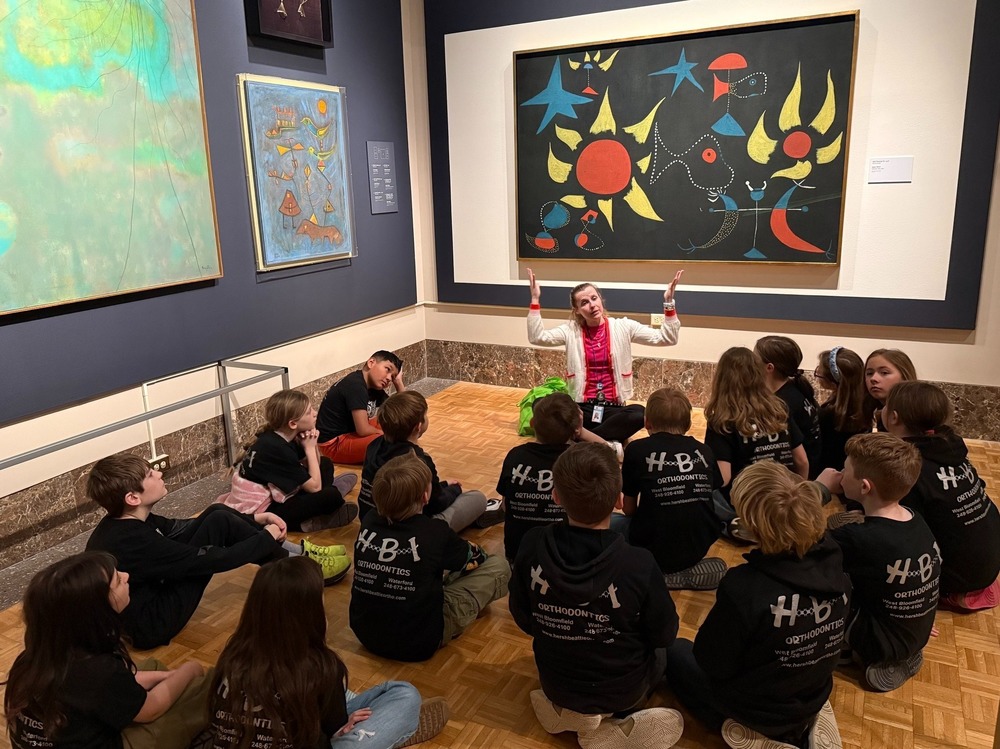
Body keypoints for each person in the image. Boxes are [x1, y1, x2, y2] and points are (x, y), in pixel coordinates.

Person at [509, 442, 684, 748]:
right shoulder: (639, 563)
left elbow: (522, 616)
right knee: (669, 653)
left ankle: (572, 712)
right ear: (618, 500)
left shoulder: (532, 543)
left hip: (555, 682)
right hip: (623, 692)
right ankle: (610, 721)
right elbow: (664, 633)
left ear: (555, 496)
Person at [665, 460, 849, 749]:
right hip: (811, 690)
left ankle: (756, 733)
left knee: (675, 651)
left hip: (756, 707)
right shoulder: (836, 561)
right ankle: (802, 724)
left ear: (752, 527)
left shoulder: (743, 587)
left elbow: (712, 662)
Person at [84, 453, 341, 648]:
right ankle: (299, 567)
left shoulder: (129, 520)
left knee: (217, 514)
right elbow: (214, 559)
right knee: (217, 530)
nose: (159, 474)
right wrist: (264, 538)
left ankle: (296, 557)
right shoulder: (132, 539)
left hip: (155, 591)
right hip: (152, 623)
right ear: (132, 498)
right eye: (150, 474)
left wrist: (255, 518)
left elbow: (184, 526)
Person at [210, 556, 448, 749]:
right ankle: (385, 731)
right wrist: (342, 729)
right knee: (405, 694)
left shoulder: (232, 656)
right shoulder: (321, 667)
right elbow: (335, 729)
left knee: (336, 698)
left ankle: (383, 729)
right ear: (308, 617)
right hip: (317, 729)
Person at [4, 552, 211, 749]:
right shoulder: (98, 671)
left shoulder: (39, 657)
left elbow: (96, 689)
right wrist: (189, 669)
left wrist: (166, 677)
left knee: (153, 667)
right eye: (117, 581)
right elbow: (151, 709)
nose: (126, 576)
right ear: (95, 610)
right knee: (205, 685)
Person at [349, 453, 511, 662]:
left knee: (432, 564)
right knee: (499, 566)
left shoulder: (369, 521)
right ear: (425, 497)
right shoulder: (434, 532)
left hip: (366, 634)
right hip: (419, 642)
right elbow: (476, 558)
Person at [816, 433, 940, 692]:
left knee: (820, 580)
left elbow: (803, 542)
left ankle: (857, 652)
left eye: (845, 470)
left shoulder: (859, 539)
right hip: (916, 631)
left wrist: (820, 489)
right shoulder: (915, 519)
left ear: (864, 487)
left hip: (881, 643)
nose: (840, 474)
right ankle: (902, 651)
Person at [526, 268, 684, 457]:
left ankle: (580, 439)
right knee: (540, 404)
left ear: (601, 299)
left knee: (638, 414)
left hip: (613, 408)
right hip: (581, 408)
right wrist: (535, 300)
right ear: (577, 310)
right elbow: (537, 337)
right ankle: (606, 443)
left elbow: (667, 338)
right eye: (584, 302)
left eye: (594, 298)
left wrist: (668, 302)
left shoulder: (623, 326)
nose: (592, 305)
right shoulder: (570, 330)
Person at [883, 381, 1000, 611]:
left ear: (894, 417)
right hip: (989, 560)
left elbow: (905, 529)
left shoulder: (908, 466)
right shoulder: (949, 448)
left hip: (960, 576)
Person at [619, 388, 726, 590]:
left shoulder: (636, 450)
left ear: (647, 422)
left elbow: (629, 509)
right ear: (688, 424)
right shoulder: (704, 451)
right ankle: (684, 570)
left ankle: (651, 572)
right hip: (700, 543)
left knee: (612, 522)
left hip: (651, 544)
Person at [219, 389, 358, 533]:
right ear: (293, 424)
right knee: (331, 496)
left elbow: (314, 464)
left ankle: (327, 498)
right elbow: (314, 488)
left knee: (325, 464)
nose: (315, 413)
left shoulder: (283, 435)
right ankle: (311, 518)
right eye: (309, 412)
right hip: (264, 511)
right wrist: (310, 448)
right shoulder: (277, 449)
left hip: (278, 496)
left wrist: (311, 442)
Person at [704, 347, 807, 533]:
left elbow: (723, 478)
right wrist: (797, 499)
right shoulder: (779, 409)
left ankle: (739, 527)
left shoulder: (722, 420)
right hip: (782, 500)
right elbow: (802, 461)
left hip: (747, 505)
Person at [357, 390, 490, 532]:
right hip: (406, 529)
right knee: (477, 498)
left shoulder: (373, 446)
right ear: (418, 426)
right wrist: (454, 490)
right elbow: (435, 504)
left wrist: (443, 485)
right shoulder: (418, 459)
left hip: (370, 520)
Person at [497, 392, 578, 562]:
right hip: (563, 557)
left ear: (532, 423)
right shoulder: (578, 460)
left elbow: (505, 506)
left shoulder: (515, 456)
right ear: (575, 429)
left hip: (518, 554)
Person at [316, 351, 405, 464]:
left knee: (397, 421)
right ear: (371, 363)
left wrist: (398, 382)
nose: (389, 378)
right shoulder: (355, 385)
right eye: (387, 369)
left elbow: (402, 409)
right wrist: (385, 433)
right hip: (333, 444)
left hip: (351, 434)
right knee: (390, 442)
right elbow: (363, 430)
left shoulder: (372, 385)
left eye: (392, 377)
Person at [755, 336, 821, 478]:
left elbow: (801, 460)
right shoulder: (794, 389)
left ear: (769, 367)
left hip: (803, 477)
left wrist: (801, 488)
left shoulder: (782, 403)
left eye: (755, 359)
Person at [813, 346, 870, 474]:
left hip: (828, 474)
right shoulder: (866, 407)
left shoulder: (830, 414)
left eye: (819, 374)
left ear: (833, 384)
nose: (817, 375)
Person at [864, 348, 916, 431]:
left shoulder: (917, 415)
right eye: (869, 373)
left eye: (884, 373)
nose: (873, 378)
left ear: (904, 376)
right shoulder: (865, 413)